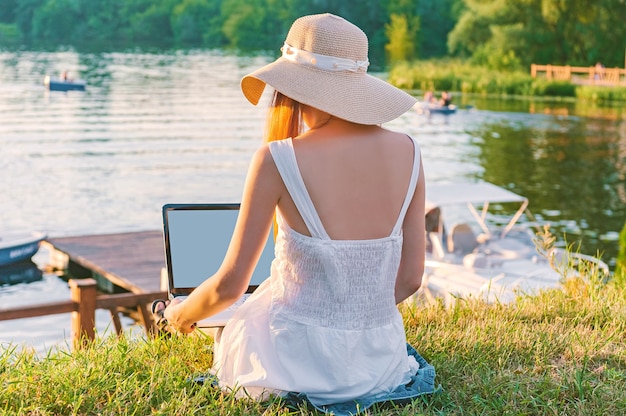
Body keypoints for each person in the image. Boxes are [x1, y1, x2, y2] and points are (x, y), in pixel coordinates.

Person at [153, 13, 437, 415]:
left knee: (243, 321)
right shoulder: (410, 151)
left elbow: (229, 287)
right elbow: (410, 279)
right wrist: (351, 319)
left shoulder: (277, 159)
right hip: (378, 364)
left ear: (294, 88)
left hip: (294, 365)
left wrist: (180, 315)